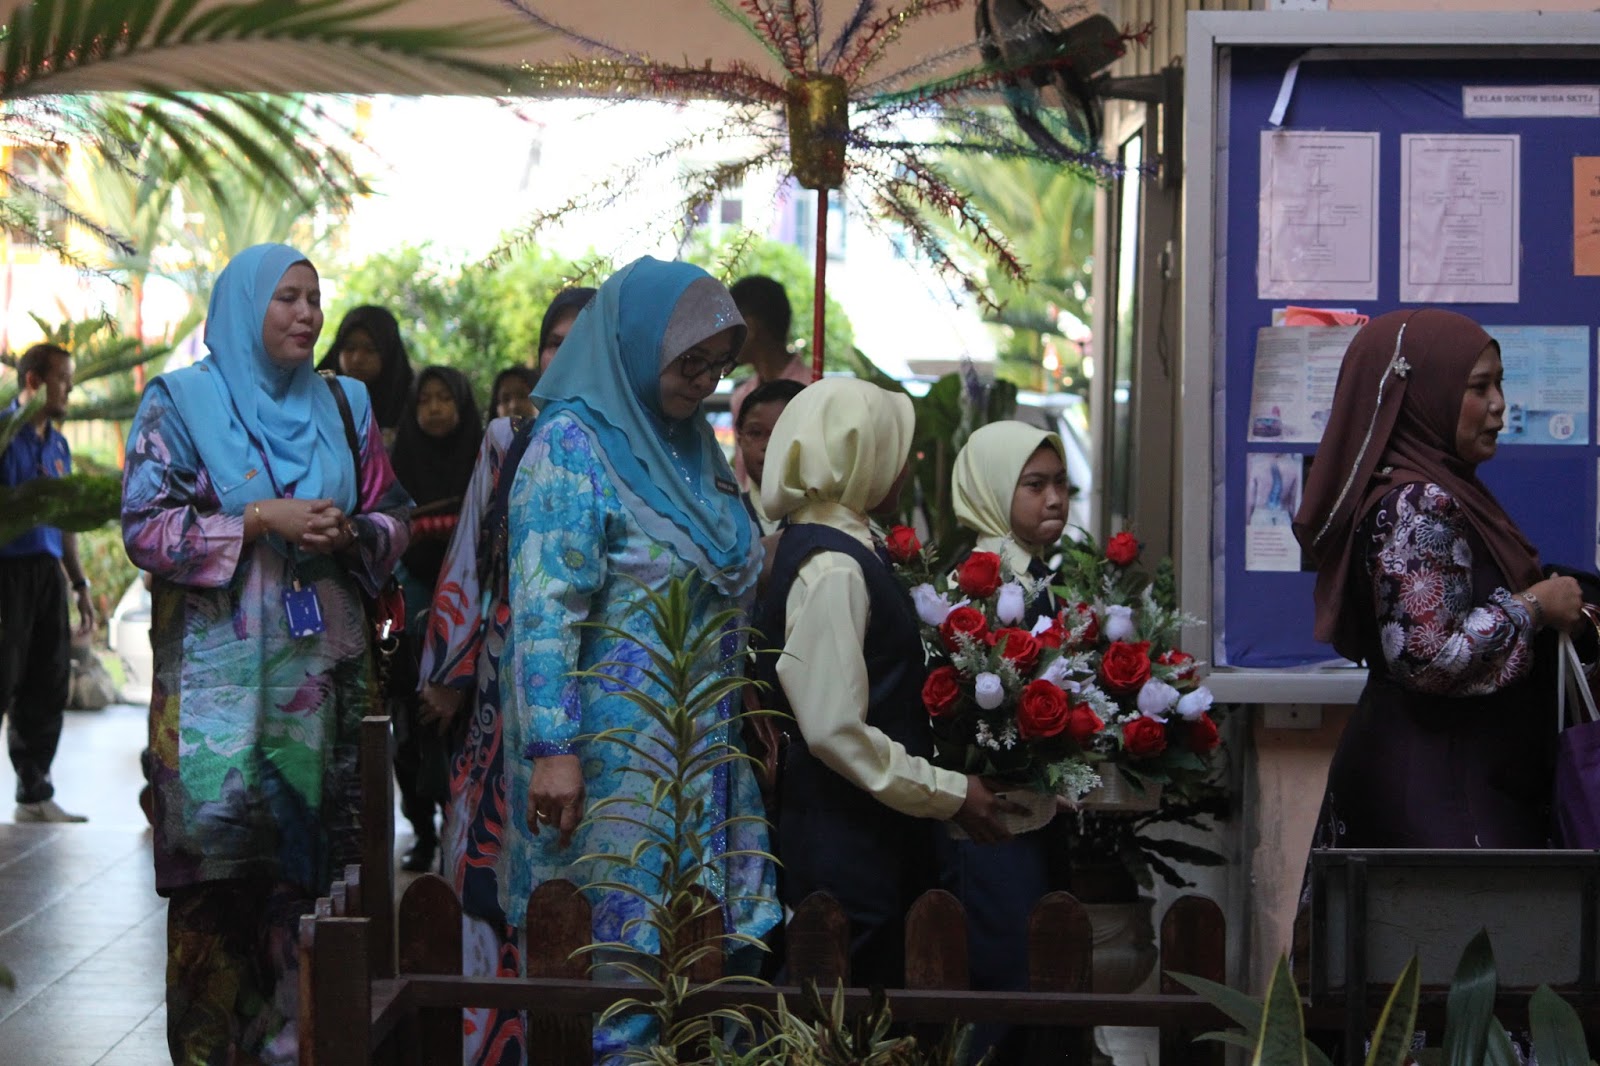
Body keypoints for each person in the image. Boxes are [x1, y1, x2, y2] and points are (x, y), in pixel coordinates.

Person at [122, 243, 411, 1064]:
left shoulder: (346, 403)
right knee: (219, 905)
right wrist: (258, 521)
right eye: (287, 297)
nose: (307, 314)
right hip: (218, 709)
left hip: (325, 693)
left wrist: (351, 532)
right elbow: (146, 528)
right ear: (245, 307)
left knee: (318, 894)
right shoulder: (179, 403)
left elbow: (394, 514)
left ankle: (302, 1051)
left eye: (314, 298)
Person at [503, 257, 779, 1062]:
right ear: (634, 341)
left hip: (703, 752)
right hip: (611, 764)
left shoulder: (692, 451)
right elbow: (544, 610)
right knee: (619, 969)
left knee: (710, 963)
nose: (703, 381)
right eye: (688, 360)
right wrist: (553, 749)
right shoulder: (571, 445)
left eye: (717, 365)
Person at [753, 377, 1022, 989]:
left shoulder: (841, 547)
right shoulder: (833, 568)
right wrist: (948, 791)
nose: (905, 466)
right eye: (894, 450)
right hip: (847, 842)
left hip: (863, 833)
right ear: (858, 456)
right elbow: (834, 729)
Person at [1292, 309, 1585, 850]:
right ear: (1423, 397)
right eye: (1478, 387)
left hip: (1440, 777)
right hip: (1439, 794)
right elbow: (1428, 657)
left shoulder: (1436, 489)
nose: (1499, 404)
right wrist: (1537, 606)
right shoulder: (1420, 502)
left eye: (1500, 384)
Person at [417, 286, 596, 1065]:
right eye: (554, 342)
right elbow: (470, 558)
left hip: (597, 693)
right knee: (490, 871)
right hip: (504, 690)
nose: (565, 357)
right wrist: (447, 670)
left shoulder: (643, 449)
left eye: (583, 341)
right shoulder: (509, 438)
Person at [943, 420, 1072, 1064]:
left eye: (1061, 484)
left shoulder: (1040, 577)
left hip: (1032, 816)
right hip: (988, 823)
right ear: (993, 489)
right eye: (1034, 485)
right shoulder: (978, 586)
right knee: (1001, 988)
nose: (1055, 500)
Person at [389, 366, 482, 872]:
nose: (435, 409)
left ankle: (458, 828)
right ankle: (422, 830)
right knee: (412, 727)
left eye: (445, 398)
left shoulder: (482, 459)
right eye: (425, 400)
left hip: (471, 609)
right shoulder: (397, 461)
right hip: (411, 608)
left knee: (463, 723)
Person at [0, 342, 94, 823]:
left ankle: (34, 792)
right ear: (34, 381)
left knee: (48, 681)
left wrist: (79, 585)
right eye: (63, 380)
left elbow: (64, 522)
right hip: (6, 573)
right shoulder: (3, 432)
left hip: (48, 574)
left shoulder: (58, 446)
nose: (70, 390)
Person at [728, 275, 812, 483]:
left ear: (750, 328)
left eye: (730, 325)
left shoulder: (814, 390)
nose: (726, 337)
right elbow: (743, 477)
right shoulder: (742, 396)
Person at [317, 304, 415, 448]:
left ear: (388, 353)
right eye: (350, 348)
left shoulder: (415, 403)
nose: (357, 359)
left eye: (370, 350)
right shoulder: (316, 395)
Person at [734, 377, 805, 536]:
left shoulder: (829, 519)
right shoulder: (722, 517)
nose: (769, 446)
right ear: (740, 438)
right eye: (756, 433)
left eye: (784, 433)